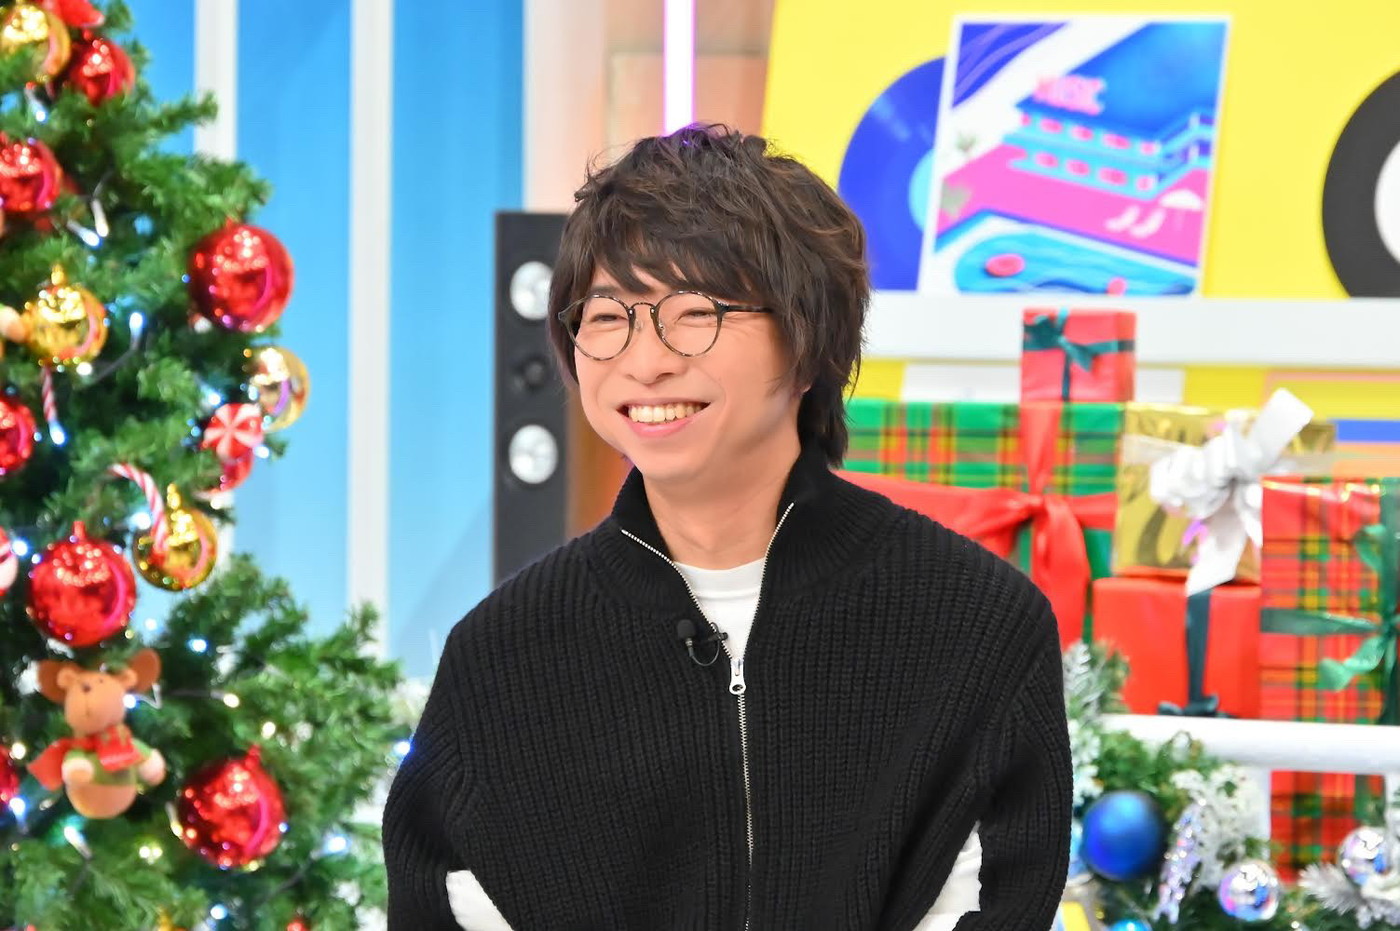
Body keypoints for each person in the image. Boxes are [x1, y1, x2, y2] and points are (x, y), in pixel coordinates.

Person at [382, 124, 1071, 930]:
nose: (646, 361)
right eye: (606, 316)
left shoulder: (977, 624)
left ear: (808, 342)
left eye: (696, 312)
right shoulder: (502, 655)